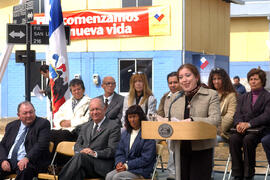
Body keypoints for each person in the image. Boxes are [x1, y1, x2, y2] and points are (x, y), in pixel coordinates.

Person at [169, 64, 221, 180]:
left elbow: (215, 120)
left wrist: (193, 121)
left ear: (196, 77)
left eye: (188, 75)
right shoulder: (175, 97)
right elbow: (170, 120)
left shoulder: (211, 95)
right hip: (179, 148)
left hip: (202, 148)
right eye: (181, 77)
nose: (184, 80)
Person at [58, 98, 121, 180]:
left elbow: (112, 150)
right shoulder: (85, 126)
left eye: (97, 109)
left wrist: (94, 153)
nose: (94, 112)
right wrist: (83, 150)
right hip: (84, 164)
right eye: (92, 110)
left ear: (104, 109)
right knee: (78, 172)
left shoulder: (113, 126)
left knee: (80, 157)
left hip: (101, 166)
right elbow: (77, 145)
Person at [229, 68, 270, 180]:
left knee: (248, 140)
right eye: (251, 79)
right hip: (243, 128)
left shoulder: (267, 97)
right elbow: (237, 113)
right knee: (233, 139)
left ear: (262, 81)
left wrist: (249, 124)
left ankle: (248, 174)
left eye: (255, 79)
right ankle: (237, 173)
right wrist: (238, 124)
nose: (252, 81)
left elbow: (266, 116)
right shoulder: (243, 97)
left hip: (260, 130)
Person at [0, 101, 51, 180]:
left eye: (31, 112)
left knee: (25, 170)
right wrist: (3, 160)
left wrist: (27, 158)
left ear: (35, 111)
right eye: (25, 113)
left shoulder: (43, 124)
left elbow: (41, 144)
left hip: (31, 161)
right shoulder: (11, 126)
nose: (29, 115)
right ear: (18, 115)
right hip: (8, 161)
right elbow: (2, 145)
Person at [106, 105, 156, 180]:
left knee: (117, 177)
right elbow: (120, 152)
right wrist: (119, 163)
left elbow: (146, 159)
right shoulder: (125, 133)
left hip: (141, 170)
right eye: (130, 117)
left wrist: (127, 165)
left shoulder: (148, 134)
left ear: (140, 117)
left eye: (134, 116)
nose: (132, 120)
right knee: (109, 176)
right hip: (126, 167)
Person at [50, 78, 91, 165]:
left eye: (79, 89)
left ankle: (60, 164)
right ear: (71, 92)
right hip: (63, 129)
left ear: (83, 89)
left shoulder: (89, 102)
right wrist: (61, 122)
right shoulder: (67, 103)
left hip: (77, 132)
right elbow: (57, 115)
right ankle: (51, 163)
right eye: (74, 90)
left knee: (62, 135)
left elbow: (87, 119)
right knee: (50, 134)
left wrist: (70, 123)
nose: (77, 92)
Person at [157, 72, 181, 180]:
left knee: (172, 140)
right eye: (170, 83)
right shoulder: (165, 97)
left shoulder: (185, 95)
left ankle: (172, 173)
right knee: (147, 139)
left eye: (175, 82)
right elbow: (160, 114)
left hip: (179, 129)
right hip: (164, 128)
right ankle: (146, 169)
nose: (173, 85)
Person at [208, 68, 237, 141]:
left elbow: (230, 117)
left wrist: (214, 129)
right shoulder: (209, 95)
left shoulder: (231, 96)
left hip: (223, 133)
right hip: (207, 130)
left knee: (206, 139)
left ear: (224, 80)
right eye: (214, 79)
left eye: (219, 78)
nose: (216, 81)